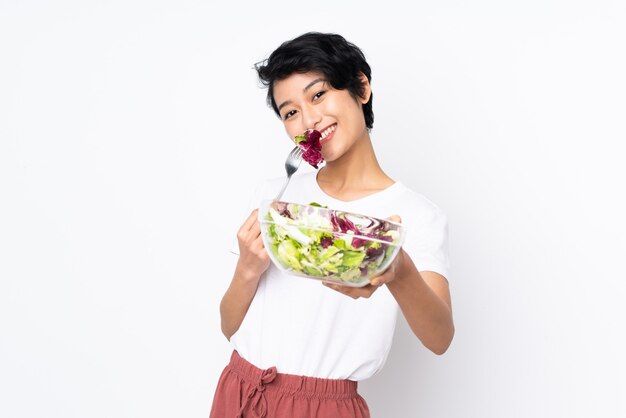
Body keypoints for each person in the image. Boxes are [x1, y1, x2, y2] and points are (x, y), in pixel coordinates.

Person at [210, 32, 454, 418]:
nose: (308, 119)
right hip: (239, 389)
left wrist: (398, 269)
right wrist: (246, 269)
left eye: (318, 95)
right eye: (290, 112)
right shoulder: (276, 198)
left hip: (325, 408)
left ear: (361, 87)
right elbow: (229, 327)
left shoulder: (414, 214)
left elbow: (440, 338)